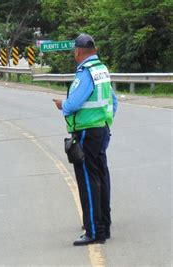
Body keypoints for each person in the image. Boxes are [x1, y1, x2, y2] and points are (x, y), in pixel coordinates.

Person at [52, 34, 118, 246]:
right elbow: (113, 101)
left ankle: (93, 231)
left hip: (87, 133)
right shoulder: (102, 70)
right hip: (101, 129)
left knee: (88, 181)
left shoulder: (85, 72)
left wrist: (62, 104)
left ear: (78, 52)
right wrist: (104, 121)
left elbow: (73, 104)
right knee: (101, 177)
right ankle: (104, 225)